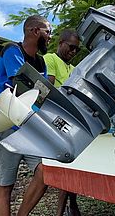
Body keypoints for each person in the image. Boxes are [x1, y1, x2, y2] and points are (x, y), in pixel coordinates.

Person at [0, 15, 52, 216]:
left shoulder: (41, 62)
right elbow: (22, 83)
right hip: (5, 122)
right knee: (5, 186)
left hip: (27, 125)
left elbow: (43, 93)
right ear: (35, 31)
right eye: (47, 32)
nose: (50, 37)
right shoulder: (12, 51)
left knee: (44, 173)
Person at [44, 29, 81, 216]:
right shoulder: (50, 59)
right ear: (61, 43)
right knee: (64, 165)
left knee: (71, 163)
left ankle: (71, 205)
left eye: (77, 50)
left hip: (70, 119)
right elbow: (49, 86)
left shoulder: (74, 69)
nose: (73, 52)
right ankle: (62, 210)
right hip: (54, 117)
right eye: (71, 47)